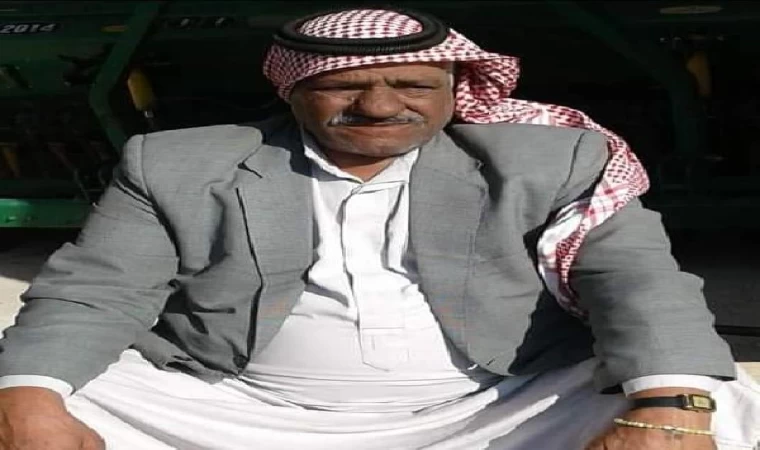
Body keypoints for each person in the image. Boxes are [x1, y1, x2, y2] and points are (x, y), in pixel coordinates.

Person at [0, 7, 758, 450]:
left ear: (454, 88)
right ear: (293, 92)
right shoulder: (179, 163)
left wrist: (668, 407)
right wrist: (30, 396)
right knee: (24, 394)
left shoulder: (550, 160)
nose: (380, 106)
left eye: (411, 84)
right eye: (344, 87)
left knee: (704, 406)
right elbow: (95, 292)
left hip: (498, 410)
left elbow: (636, 282)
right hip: (234, 413)